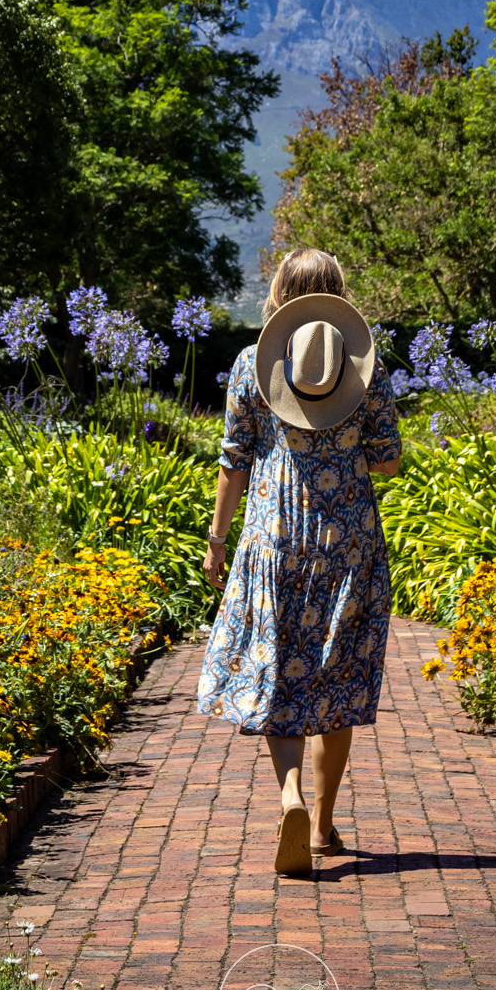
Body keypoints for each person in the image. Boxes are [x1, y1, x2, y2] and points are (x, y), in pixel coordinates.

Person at [197, 247, 402, 877]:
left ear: (282, 294)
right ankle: (322, 822)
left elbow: (233, 460)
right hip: (347, 540)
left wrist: (216, 538)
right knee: (335, 676)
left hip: (272, 534)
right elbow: (389, 460)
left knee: (276, 667)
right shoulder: (363, 371)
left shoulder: (249, 366)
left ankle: (286, 795)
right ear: (336, 296)